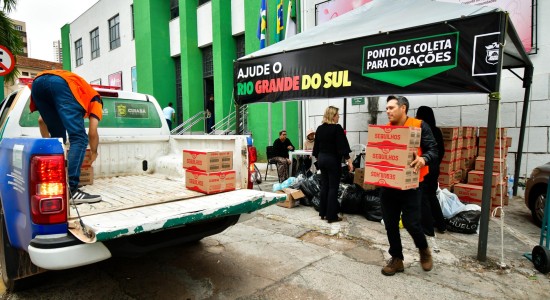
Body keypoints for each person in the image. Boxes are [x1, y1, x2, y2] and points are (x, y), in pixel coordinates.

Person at [380, 96, 438, 276]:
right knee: (390, 223)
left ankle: (423, 249)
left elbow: (433, 149)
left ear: (403, 108)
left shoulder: (419, 125)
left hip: (412, 184)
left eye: (391, 108)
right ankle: (396, 258)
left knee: (411, 222)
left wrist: (423, 159)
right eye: (386, 108)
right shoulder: (385, 130)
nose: (387, 111)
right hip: (389, 184)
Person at [30, 70, 103, 204]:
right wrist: (94, 152)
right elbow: (92, 132)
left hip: (37, 83)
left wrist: (51, 145)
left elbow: (41, 120)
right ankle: (71, 190)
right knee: (79, 138)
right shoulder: (96, 99)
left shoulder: (80, 93)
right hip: (61, 83)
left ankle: (57, 183)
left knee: (58, 139)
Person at [312, 106, 353, 223]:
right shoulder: (337, 128)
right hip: (332, 160)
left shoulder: (320, 128)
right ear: (333, 116)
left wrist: (319, 158)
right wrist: (349, 161)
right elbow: (342, 146)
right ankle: (331, 216)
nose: (339, 117)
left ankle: (323, 213)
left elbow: (316, 148)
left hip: (321, 159)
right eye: (337, 115)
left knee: (325, 186)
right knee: (333, 188)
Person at [416, 106, 447, 235]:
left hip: (424, 167)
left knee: (423, 197)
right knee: (431, 196)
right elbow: (441, 151)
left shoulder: (420, 131)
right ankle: (441, 224)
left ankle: (427, 228)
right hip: (435, 168)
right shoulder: (437, 131)